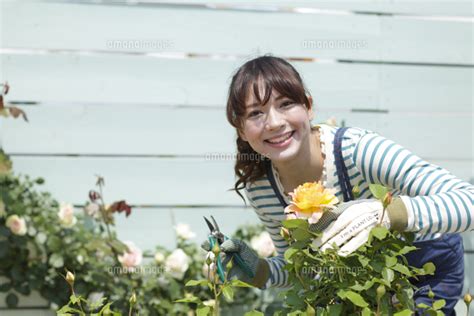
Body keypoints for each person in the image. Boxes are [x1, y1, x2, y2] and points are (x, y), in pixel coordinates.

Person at [201, 55, 473, 314]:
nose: (274, 123)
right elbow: (298, 268)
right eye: (255, 113)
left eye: (285, 104)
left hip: (425, 258)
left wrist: (385, 214)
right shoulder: (261, 188)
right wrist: (256, 269)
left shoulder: (357, 151)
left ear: (308, 106)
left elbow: (468, 201)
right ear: (241, 129)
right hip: (361, 276)